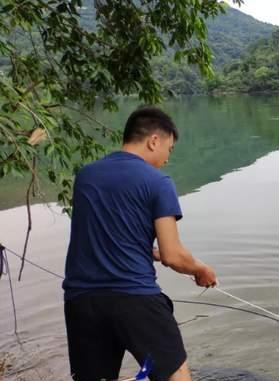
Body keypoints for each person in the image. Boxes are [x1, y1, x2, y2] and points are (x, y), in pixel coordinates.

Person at [62, 107, 216, 381]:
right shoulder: (157, 181)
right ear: (154, 140)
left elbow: (100, 233)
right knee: (175, 375)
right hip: (135, 298)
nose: (167, 159)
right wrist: (201, 270)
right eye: (169, 150)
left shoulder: (86, 176)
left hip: (81, 302)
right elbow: (173, 255)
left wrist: (147, 251)